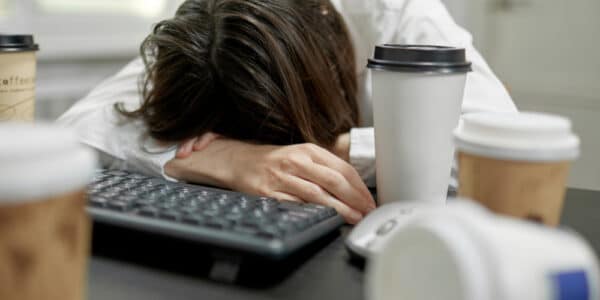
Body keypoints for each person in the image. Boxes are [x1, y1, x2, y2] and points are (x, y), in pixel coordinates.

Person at [58, 0, 517, 224]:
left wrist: (330, 148)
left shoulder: (394, 11)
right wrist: (224, 158)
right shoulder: (211, 31)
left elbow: (503, 147)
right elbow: (71, 134)